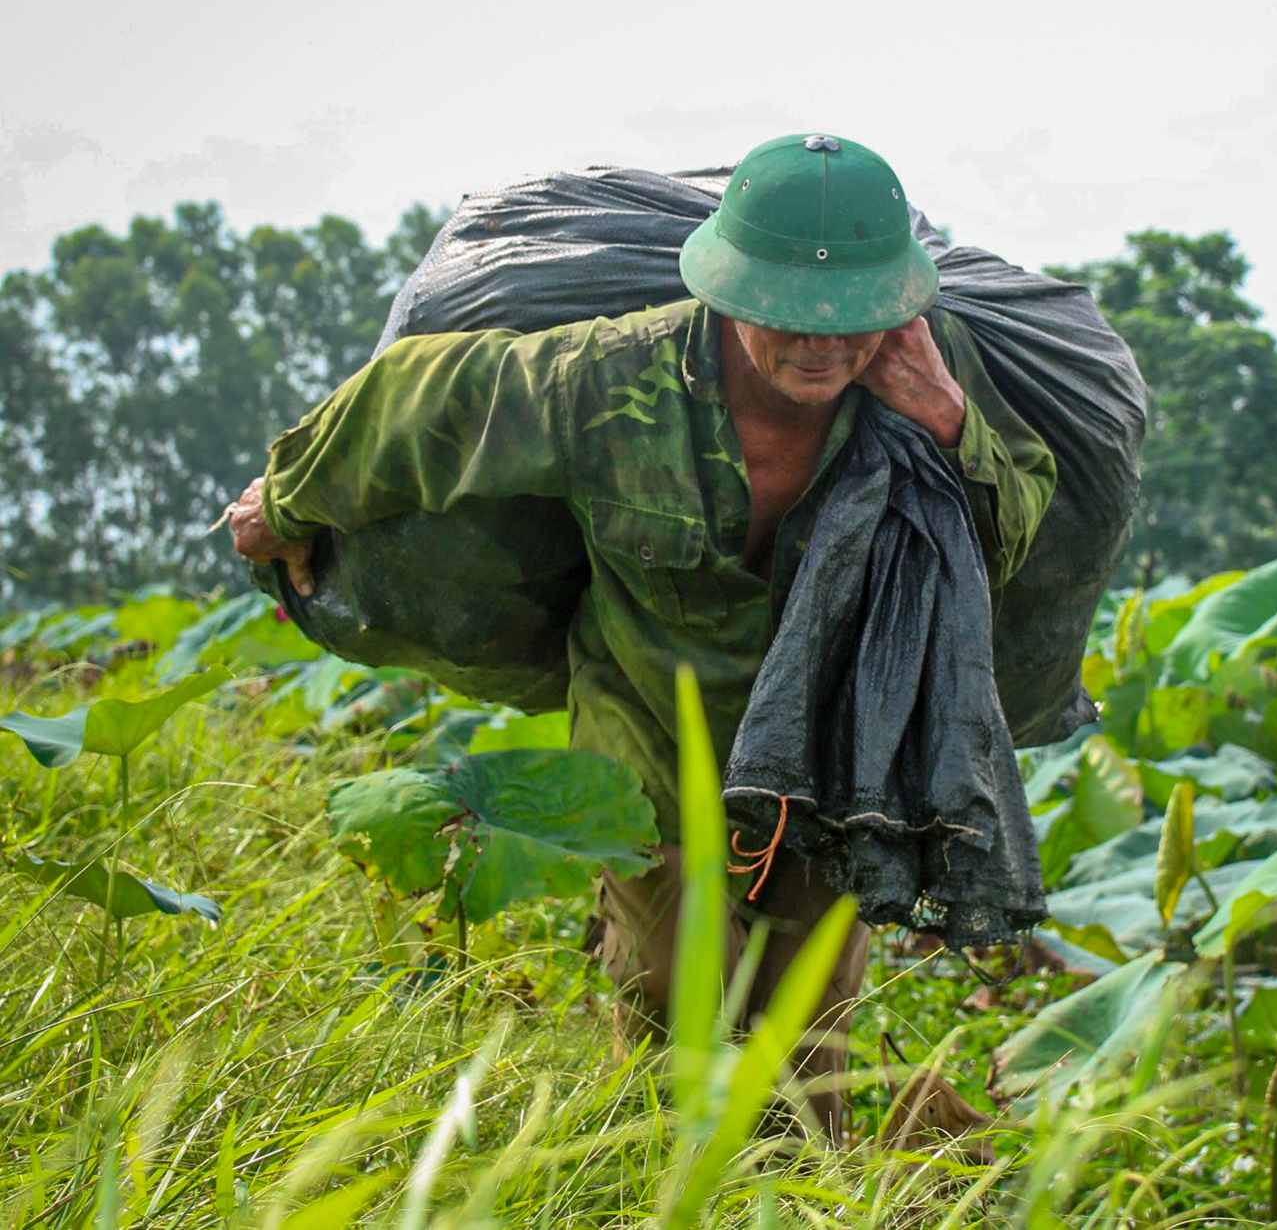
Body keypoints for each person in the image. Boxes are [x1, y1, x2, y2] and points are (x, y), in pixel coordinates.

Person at [229, 133, 1057, 1135]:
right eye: (792, 315)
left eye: (853, 320)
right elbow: (418, 402)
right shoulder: (608, 381)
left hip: (825, 747)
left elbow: (1008, 528)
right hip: (649, 720)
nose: (822, 346)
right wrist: (285, 499)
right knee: (671, 995)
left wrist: (941, 415)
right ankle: (645, 1176)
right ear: (727, 289)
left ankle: (801, 1190)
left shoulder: (915, 383)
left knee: (804, 1044)